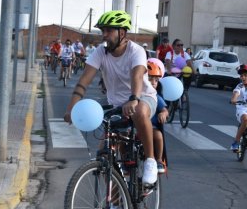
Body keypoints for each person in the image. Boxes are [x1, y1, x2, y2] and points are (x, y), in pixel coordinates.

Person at [64, 10, 158, 185]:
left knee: (138, 112)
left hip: (143, 97)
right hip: (117, 103)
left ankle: (151, 161)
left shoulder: (136, 51)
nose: (104, 35)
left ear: (122, 33)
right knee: (106, 154)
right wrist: (71, 108)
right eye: (103, 31)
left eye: (108, 31)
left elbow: (137, 77)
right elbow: (83, 82)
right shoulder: (100, 52)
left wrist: (134, 98)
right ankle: (115, 208)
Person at [147, 59, 169, 173]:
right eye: (150, 79)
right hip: (135, 129)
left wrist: (162, 113)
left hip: (152, 128)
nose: (153, 82)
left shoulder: (156, 97)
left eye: (156, 80)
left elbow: (165, 110)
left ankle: (159, 160)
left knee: (158, 136)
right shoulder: (136, 94)